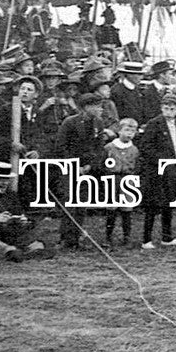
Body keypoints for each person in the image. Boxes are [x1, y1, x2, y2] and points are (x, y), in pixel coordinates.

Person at [136, 94, 176, 249]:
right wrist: (162, 160)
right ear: (161, 108)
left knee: (169, 202)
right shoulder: (154, 123)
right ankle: (146, 239)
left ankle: (167, 237)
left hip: (173, 168)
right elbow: (145, 147)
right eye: (166, 108)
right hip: (157, 170)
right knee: (153, 204)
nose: (169, 111)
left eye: (172, 109)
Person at [55, 91, 106, 249]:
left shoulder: (99, 123)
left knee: (82, 202)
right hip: (70, 167)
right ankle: (65, 238)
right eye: (97, 106)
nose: (100, 109)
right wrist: (74, 165)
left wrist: (90, 166)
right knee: (70, 201)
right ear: (86, 107)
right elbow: (61, 147)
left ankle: (76, 238)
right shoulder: (70, 122)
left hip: (87, 169)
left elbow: (99, 148)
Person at [102, 118, 140, 247]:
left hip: (128, 179)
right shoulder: (109, 147)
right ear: (119, 131)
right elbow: (102, 164)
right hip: (112, 178)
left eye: (132, 131)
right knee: (111, 208)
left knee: (127, 209)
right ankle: (108, 237)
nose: (129, 133)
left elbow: (137, 166)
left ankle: (126, 237)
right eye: (126, 130)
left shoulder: (134, 149)